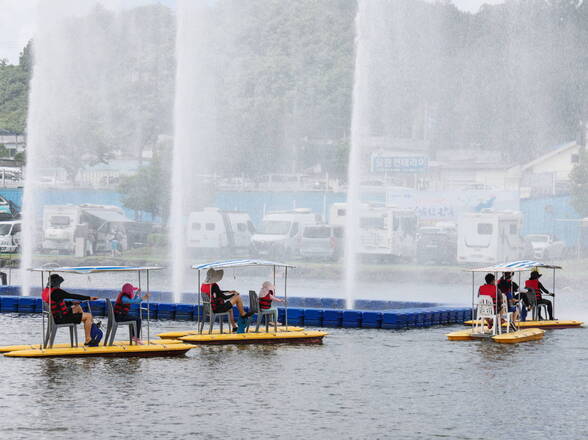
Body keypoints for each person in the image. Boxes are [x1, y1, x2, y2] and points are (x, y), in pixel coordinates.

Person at [42, 274, 98, 345]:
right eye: (59, 283)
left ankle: (90, 328)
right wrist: (89, 298)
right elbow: (72, 295)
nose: (60, 284)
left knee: (77, 307)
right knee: (88, 316)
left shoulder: (46, 291)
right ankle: (88, 339)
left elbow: (57, 302)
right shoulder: (57, 292)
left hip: (56, 316)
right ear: (57, 283)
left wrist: (72, 302)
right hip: (61, 318)